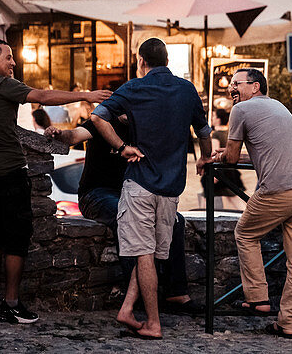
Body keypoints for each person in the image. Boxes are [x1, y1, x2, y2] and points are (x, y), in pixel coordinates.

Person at [0, 38, 111, 324]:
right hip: (9, 171)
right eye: (8, 57)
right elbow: (42, 95)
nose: (13, 63)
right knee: (16, 238)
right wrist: (86, 95)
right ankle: (12, 303)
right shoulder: (2, 84)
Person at [90, 38, 212, 339]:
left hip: (141, 183)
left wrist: (121, 147)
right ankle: (128, 309)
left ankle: (154, 323)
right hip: (171, 188)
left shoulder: (134, 87)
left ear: (142, 60)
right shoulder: (187, 89)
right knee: (155, 253)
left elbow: (97, 117)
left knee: (144, 254)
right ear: (167, 59)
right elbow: (204, 132)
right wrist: (205, 159)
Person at [44, 116, 200, 315]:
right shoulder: (103, 120)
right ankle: (138, 299)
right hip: (96, 194)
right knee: (126, 218)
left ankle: (176, 293)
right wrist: (59, 134)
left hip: (132, 193)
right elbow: (75, 135)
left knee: (176, 221)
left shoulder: (144, 126)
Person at [211, 68, 292, 339]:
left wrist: (219, 156)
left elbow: (233, 159)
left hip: (279, 189)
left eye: (237, 84)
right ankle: (289, 323)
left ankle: (258, 297)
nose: (232, 89)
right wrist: (225, 153)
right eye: (231, 84)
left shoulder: (241, 110)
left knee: (245, 233)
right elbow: (264, 151)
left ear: (256, 86)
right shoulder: (278, 107)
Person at [200, 107, 245, 210]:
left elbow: (214, 154)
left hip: (219, 172)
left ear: (219, 119)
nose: (212, 118)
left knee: (207, 199)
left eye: (214, 116)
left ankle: (203, 221)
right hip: (230, 171)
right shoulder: (229, 133)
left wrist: (214, 173)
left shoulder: (216, 134)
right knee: (234, 198)